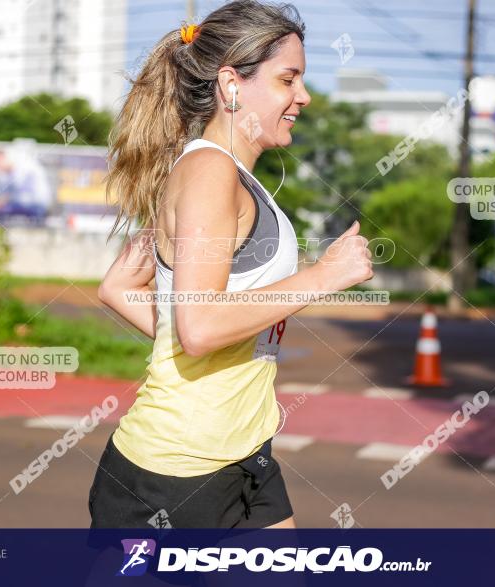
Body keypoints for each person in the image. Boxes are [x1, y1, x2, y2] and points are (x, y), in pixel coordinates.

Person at [88, 0, 373, 529]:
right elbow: (198, 328)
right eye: (289, 80)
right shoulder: (209, 175)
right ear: (232, 84)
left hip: (244, 453)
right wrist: (324, 275)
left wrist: (138, 300)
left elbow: (148, 300)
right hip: (174, 473)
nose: (303, 97)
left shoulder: (232, 175)